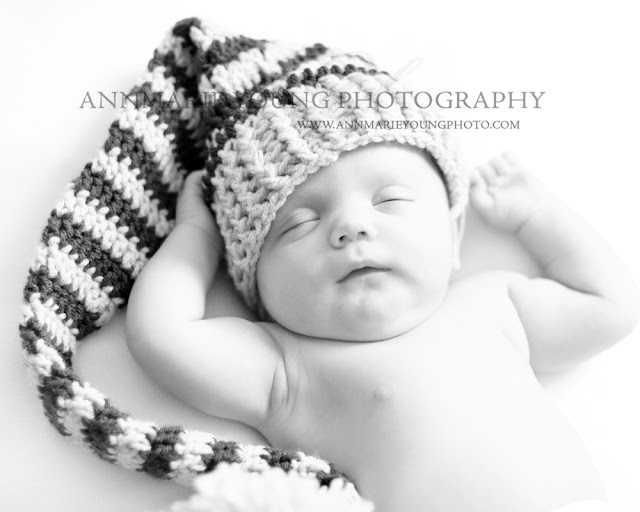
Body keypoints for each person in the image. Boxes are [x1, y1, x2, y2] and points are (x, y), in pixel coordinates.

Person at [125, 59, 639, 512]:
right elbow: (163, 336)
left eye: (389, 200)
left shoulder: (493, 302)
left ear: (454, 233)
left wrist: (537, 216)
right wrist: (196, 237)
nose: (351, 227)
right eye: (299, 223)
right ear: (255, 287)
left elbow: (611, 308)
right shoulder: (288, 369)